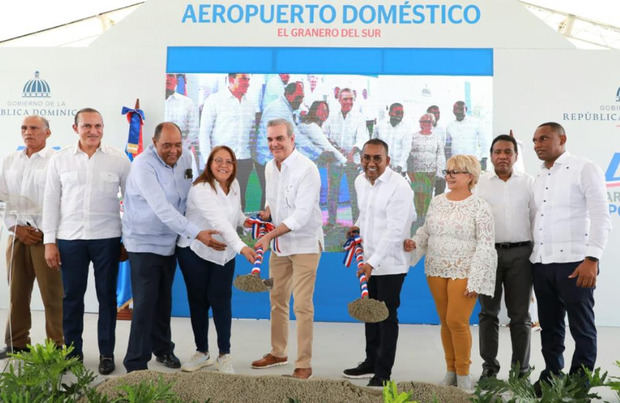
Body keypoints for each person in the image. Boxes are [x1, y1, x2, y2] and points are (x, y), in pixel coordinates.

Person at [121, 122, 225, 373]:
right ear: (154, 143)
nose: (173, 150)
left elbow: (194, 194)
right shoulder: (142, 165)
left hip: (172, 240)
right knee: (145, 302)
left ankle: (163, 349)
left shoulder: (187, 157)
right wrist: (196, 232)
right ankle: (135, 362)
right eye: (167, 145)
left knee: (163, 300)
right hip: (144, 241)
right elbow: (162, 209)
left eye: (177, 144)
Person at [42, 108, 130, 374]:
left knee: (106, 298)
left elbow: (132, 202)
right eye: (87, 126)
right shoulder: (60, 160)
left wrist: (128, 239)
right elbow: (50, 201)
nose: (93, 131)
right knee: (71, 299)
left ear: (103, 128)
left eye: (98, 126)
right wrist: (49, 242)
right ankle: (72, 353)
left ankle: (106, 354)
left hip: (107, 239)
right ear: (75, 128)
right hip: (70, 239)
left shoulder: (119, 160)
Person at [404, 154, 497, 390]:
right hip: (436, 267)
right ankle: (451, 370)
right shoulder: (437, 201)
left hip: (464, 269)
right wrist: (415, 243)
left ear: (470, 176)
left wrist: (476, 278)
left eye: (455, 172)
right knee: (445, 321)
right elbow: (426, 230)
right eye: (447, 172)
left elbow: (486, 244)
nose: (449, 176)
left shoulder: (480, 206)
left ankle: (464, 373)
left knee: (457, 320)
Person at [530, 122, 611, 392]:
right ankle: (552, 376)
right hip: (542, 263)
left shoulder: (584, 168)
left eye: (544, 138)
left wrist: (592, 259)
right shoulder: (539, 176)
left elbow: (601, 215)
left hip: (576, 263)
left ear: (562, 138)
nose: (537, 144)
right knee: (550, 328)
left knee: (582, 328)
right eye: (534, 140)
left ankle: (579, 384)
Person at [250, 119, 323, 380]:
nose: (274, 144)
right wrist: (266, 213)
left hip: (304, 245)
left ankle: (304, 364)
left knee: (302, 305)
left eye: (279, 138)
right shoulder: (270, 167)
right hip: (280, 247)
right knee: (277, 301)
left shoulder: (308, 169)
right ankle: (278, 352)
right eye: (270, 139)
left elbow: (301, 216)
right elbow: (273, 200)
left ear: (292, 139)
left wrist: (269, 235)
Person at [177, 146, 257, 374]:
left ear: (234, 166)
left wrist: (245, 221)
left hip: (224, 253)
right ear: (209, 163)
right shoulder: (201, 188)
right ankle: (202, 353)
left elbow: (234, 214)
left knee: (221, 301)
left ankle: (225, 355)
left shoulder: (234, 185)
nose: (224, 165)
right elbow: (219, 222)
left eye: (229, 162)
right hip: (195, 252)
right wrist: (242, 247)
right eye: (218, 160)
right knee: (199, 301)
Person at [342, 139, 415, 387]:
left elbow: (395, 230)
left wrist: (372, 263)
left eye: (377, 158)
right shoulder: (360, 181)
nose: (371, 163)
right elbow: (367, 213)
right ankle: (370, 361)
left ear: (388, 161)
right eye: (367, 157)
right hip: (368, 260)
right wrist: (357, 226)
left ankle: (383, 373)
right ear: (361, 158)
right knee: (370, 312)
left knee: (385, 315)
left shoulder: (400, 187)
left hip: (391, 264)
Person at [0, 116, 62, 359]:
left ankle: (57, 347)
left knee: (53, 295)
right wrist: (14, 228)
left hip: (45, 238)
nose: (28, 132)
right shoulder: (10, 161)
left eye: (34, 128)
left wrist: (50, 235)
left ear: (47, 133)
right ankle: (16, 343)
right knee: (16, 293)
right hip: (17, 236)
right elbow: (2, 198)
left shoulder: (56, 161)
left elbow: (62, 200)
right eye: (24, 128)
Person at [476, 134, 534, 380]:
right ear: (490, 156)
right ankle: (489, 367)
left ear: (516, 155)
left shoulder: (529, 182)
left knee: (520, 316)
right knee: (488, 313)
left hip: (522, 254)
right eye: (497, 152)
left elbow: (536, 218)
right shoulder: (479, 183)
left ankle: (520, 370)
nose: (502, 156)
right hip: (488, 254)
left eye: (507, 152)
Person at [199, 73, 258, 210]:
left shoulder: (250, 104)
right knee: (218, 200)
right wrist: (209, 161)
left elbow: (252, 134)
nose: (247, 83)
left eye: (249, 79)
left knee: (239, 199)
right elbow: (204, 133)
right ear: (231, 79)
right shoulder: (214, 100)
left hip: (244, 160)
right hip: (220, 162)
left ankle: (236, 229)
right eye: (243, 78)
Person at [323, 88, 369, 226]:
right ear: (339, 100)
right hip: (335, 162)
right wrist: (336, 149)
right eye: (345, 99)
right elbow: (325, 135)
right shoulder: (331, 117)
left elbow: (362, 139)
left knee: (355, 194)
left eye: (351, 99)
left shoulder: (359, 117)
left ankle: (356, 224)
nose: (349, 102)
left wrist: (351, 153)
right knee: (332, 193)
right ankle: (331, 223)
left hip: (352, 163)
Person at [407, 113, 446, 229]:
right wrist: (408, 170)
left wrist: (440, 171)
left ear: (432, 123)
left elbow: (440, 155)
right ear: (420, 123)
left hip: (430, 171)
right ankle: (418, 217)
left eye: (429, 122)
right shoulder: (413, 137)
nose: (426, 124)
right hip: (416, 171)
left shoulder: (437, 138)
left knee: (427, 195)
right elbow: (407, 153)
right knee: (417, 194)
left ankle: (425, 219)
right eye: (423, 121)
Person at [445, 101, 489, 170]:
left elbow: (483, 141)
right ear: (453, 111)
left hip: (471, 162)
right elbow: (448, 146)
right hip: (456, 163)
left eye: (461, 109)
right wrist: (448, 161)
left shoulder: (475, 123)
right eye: (456, 109)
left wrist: (484, 158)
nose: (458, 111)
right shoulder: (449, 126)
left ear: (466, 109)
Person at [374, 103, 413, 175]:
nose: (400, 115)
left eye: (402, 113)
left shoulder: (406, 129)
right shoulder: (380, 126)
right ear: (389, 113)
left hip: (399, 169)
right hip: (382, 167)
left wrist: (399, 166)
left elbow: (406, 150)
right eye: (397, 113)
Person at [164, 73, 199, 150]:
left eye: (170, 76)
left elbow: (194, 130)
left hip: (182, 152)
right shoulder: (153, 101)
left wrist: (180, 147)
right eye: (164, 76)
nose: (167, 79)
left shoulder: (187, 102)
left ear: (176, 80)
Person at [427, 105, 447, 195]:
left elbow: (444, 147)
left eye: (438, 113)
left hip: (440, 168)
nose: (436, 115)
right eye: (433, 113)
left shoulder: (442, 130)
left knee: (440, 195)